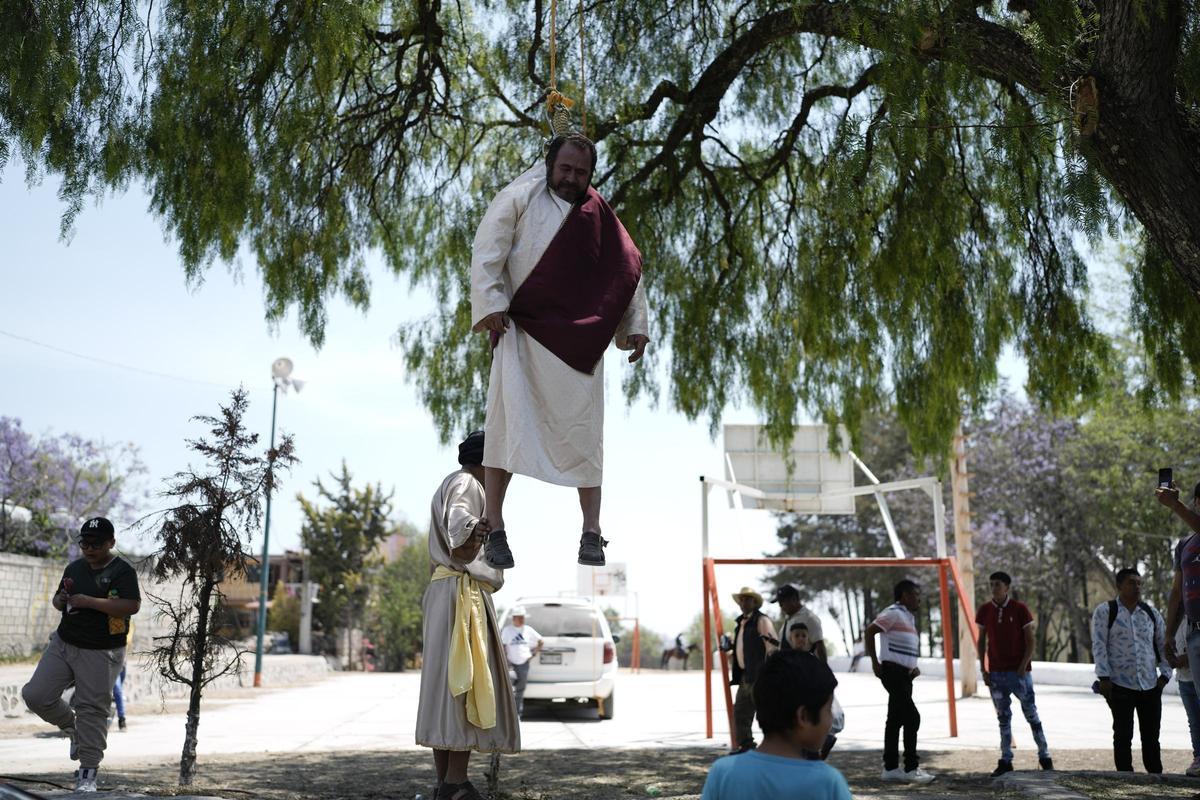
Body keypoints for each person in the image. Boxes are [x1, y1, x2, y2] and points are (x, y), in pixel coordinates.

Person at [470, 133, 651, 571]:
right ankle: (495, 527)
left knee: (587, 437)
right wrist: (491, 303)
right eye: (565, 169)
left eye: (581, 172)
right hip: (522, 331)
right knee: (504, 430)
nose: (572, 178)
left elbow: (627, 269)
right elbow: (487, 252)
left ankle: (591, 531)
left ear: (591, 174)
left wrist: (635, 327)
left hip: (580, 343)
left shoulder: (599, 214)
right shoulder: (517, 198)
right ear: (550, 163)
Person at [415, 431, 520, 800]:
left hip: (448, 592)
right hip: (461, 594)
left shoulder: (453, 481)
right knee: (464, 683)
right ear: (488, 464)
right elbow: (459, 523)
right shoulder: (467, 483)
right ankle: (456, 783)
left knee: (449, 687)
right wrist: (478, 528)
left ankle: (445, 784)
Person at [21, 517, 141, 793]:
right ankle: (71, 728)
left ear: (111, 543)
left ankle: (87, 774)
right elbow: (57, 599)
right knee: (36, 695)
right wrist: (60, 600)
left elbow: (130, 605)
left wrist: (89, 602)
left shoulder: (122, 571)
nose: (88, 548)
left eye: (95, 544)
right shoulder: (74, 567)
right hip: (64, 642)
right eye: (84, 543)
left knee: (93, 710)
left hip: (102, 650)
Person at [700, 650, 852, 800]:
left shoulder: (722, 773)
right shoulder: (828, 783)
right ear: (803, 717)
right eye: (828, 710)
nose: (831, 719)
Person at [1091, 567, 1170, 774]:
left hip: (1150, 685)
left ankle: (1155, 777)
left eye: (1139, 583)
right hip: (1119, 685)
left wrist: (1165, 676)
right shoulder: (1106, 611)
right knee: (1123, 734)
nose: (1136, 587)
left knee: (1152, 736)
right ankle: (1125, 777)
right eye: (1131, 583)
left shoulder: (1151, 613)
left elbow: (1163, 645)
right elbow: (1098, 645)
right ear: (1119, 586)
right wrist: (1104, 677)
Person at [975, 571, 1052, 776]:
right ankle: (1006, 759)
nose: (994, 588)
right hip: (997, 674)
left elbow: (1031, 640)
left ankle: (1045, 755)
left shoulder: (1020, 609)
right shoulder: (984, 610)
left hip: (1019, 674)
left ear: (1007, 587)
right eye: (991, 584)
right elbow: (981, 640)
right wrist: (984, 668)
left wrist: (1022, 666)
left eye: (998, 584)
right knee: (1003, 717)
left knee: (1031, 714)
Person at [864, 579, 935, 784]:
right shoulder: (893, 612)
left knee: (895, 720)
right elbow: (870, 631)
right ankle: (911, 768)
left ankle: (891, 768)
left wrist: (912, 666)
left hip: (905, 675)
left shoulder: (907, 617)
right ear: (904, 595)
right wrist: (875, 663)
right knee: (912, 718)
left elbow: (901, 646)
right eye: (915, 594)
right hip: (892, 673)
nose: (918, 598)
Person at [723, 587, 778, 754]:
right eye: (742, 599)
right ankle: (746, 745)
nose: (743, 603)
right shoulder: (741, 623)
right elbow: (742, 648)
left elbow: (773, 647)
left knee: (767, 712)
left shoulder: (762, 621)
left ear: (755, 602)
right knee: (740, 712)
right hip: (746, 675)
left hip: (760, 674)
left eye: (747, 599)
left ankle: (776, 746)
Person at [500, 606, 543, 717]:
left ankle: (517, 713)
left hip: (524, 663)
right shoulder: (507, 630)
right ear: (514, 618)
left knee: (521, 688)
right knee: (508, 688)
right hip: (510, 664)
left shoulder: (528, 629)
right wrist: (505, 660)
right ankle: (507, 713)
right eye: (519, 617)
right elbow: (503, 646)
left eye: (522, 617)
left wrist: (533, 654)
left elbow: (541, 641)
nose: (521, 619)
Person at [1170, 623, 1200, 776]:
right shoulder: (1175, 618)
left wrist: (1187, 658)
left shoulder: (1195, 614)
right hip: (1183, 678)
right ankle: (1198, 759)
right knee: (1194, 722)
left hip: (1197, 676)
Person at [772, 583, 827, 661]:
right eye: (779, 603)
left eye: (782, 602)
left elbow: (820, 646)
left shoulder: (809, 618)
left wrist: (824, 669)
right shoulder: (788, 618)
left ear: (794, 599)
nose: (780, 606)